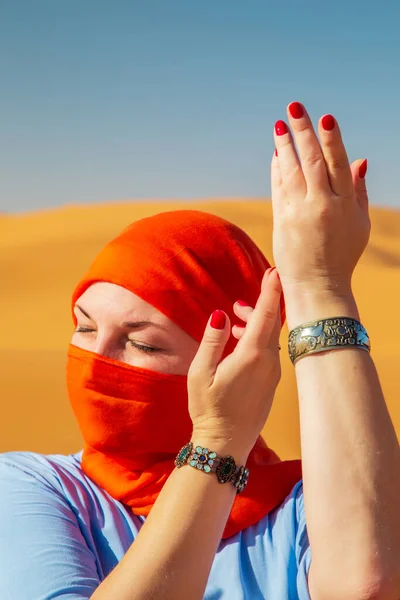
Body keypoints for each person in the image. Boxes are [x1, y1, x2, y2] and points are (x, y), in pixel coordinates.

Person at [0, 102, 399, 600]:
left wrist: (322, 286)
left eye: (141, 342)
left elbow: (367, 586)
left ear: (237, 355)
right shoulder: (38, 488)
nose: (97, 360)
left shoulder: (303, 512)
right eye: (83, 329)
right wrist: (217, 443)